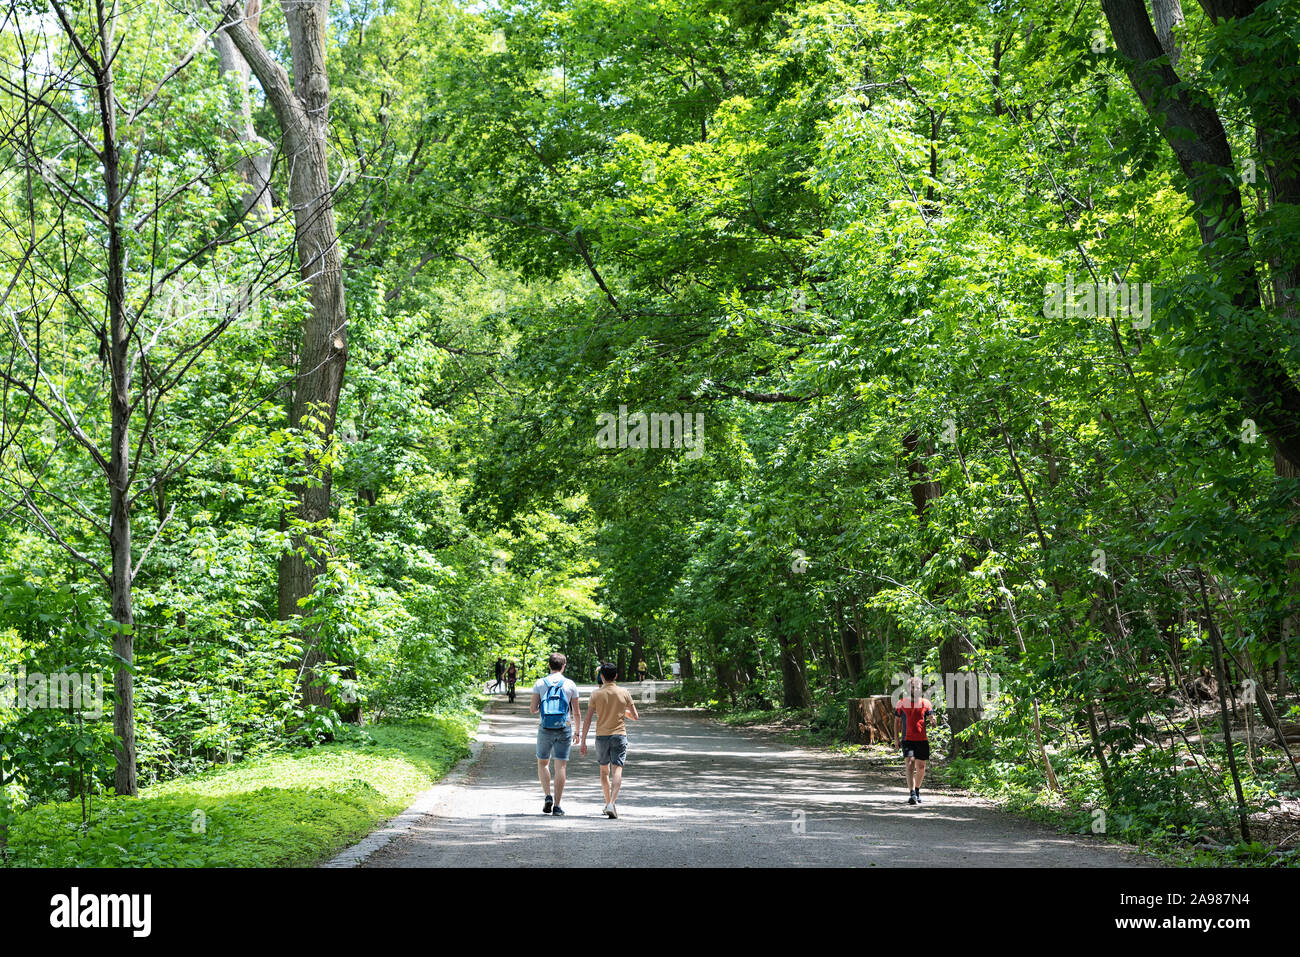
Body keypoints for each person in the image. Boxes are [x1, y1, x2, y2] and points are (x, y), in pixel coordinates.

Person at [580, 662, 639, 819]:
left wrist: (583, 740)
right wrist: (622, 712)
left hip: (601, 736)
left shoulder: (596, 694)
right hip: (619, 735)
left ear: (602, 676)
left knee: (604, 771)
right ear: (616, 676)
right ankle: (612, 803)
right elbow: (635, 716)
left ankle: (608, 803)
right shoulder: (624, 692)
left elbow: (587, 719)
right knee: (617, 769)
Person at [530, 653, 581, 816]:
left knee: (543, 763)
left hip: (545, 727)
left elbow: (533, 709)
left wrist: (543, 708)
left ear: (549, 665)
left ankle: (547, 796)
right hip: (564, 728)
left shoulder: (539, 683)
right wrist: (578, 732)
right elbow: (577, 712)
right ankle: (558, 806)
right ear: (564, 666)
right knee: (561, 766)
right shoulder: (570, 684)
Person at [894, 676, 935, 805]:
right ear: (908, 688)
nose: (915, 689)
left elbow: (932, 717)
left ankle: (917, 790)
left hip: (922, 739)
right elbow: (896, 722)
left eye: (917, 687)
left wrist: (933, 722)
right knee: (910, 763)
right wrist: (896, 738)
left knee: (921, 766)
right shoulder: (901, 703)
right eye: (913, 687)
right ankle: (911, 793)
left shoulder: (926, 703)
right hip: (907, 739)